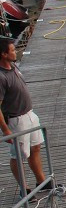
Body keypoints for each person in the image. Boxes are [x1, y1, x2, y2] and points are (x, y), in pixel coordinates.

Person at [0, 37, 47, 194]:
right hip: (16, 120)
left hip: (29, 114)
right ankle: (24, 189)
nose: (16, 52)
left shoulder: (13, 66)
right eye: (12, 50)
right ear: (3, 54)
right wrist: (6, 130)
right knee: (19, 156)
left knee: (35, 147)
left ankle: (42, 181)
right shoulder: (1, 77)